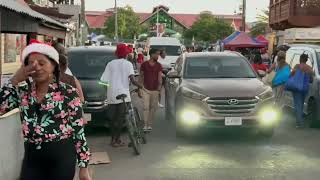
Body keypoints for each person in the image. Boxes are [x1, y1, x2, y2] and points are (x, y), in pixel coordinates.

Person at [0, 40, 91, 180]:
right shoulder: (22, 92)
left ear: (53, 65)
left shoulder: (67, 92)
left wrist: (84, 167)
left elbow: (78, 131)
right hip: (32, 158)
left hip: (62, 157)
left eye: (42, 63)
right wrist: (15, 79)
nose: (37, 68)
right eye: (31, 64)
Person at [100, 44, 142, 147]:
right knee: (120, 119)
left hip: (112, 95)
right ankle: (117, 140)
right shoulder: (128, 64)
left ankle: (113, 140)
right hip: (124, 95)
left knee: (112, 119)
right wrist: (139, 85)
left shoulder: (110, 64)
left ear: (116, 54)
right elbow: (132, 79)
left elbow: (103, 81)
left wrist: (108, 91)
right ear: (126, 54)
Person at [139, 48, 163, 131]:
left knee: (153, 107)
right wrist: (139, 88)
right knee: (146, 107)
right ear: (151, 54)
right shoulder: (144, 64)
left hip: (155, 89)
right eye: (156, 54)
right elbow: (141, 76)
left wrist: (159, 88)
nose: (158, 56)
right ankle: (145, 125)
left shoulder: (159, 65)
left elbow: (160, 77)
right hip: (145, 89)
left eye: (158, 54)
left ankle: (149, 124)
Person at [290, 54, 314, 128]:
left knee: (298, 105)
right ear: (306, 60)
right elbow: (311, 80)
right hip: (304, 89)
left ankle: (299, 123)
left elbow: (291, 75)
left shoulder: (297, 66)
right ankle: (300, 120)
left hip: (297, 88)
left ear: (300, 59)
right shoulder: (309, 68)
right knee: (301, 104)